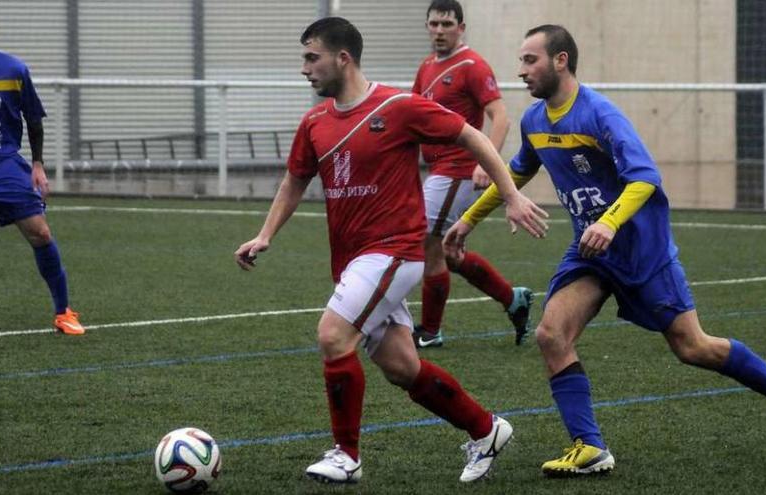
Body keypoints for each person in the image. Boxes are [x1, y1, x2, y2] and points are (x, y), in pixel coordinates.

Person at [444, 24, 766, 476]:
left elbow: (645, 178)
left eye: (530, 60)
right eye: (522, 61)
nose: (521, 71)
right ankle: (589, 447)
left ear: (560, 61)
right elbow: (517, 173)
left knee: (692, 347)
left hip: (642, 249)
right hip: (591, 251)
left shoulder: (600, 114)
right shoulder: (535, 122)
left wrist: (609, 220)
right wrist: (467, 220)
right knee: (551, 334)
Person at [234, 17, 548, 484]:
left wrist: (511, 194)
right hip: (354, 261)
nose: (305, 69)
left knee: (332, 335)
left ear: (342, 58)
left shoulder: (398, 106)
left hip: (394, 251)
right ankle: (486, 430)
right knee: (402, 367)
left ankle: (346, 455)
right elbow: (294, 180)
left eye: (311, 57)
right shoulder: (314, 122)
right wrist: (265, 235)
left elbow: (472, 135)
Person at [0, 4, 85, 335]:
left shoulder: (14, 70)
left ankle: (63, 312)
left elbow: (33, 121)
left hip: (2, 164)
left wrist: (37, 165)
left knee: (41, 232)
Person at [411, 0, 532, 348]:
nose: (439, 30)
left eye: (447, 24)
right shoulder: (426, 67)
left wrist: (485, 162)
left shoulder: (472, 66)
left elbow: (501, 116)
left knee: (426, 243)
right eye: (434, 24)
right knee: (447, 252)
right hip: (437, 170)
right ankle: (513, 299)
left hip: (459, 170)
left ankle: (430, 333)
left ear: (461, 28)